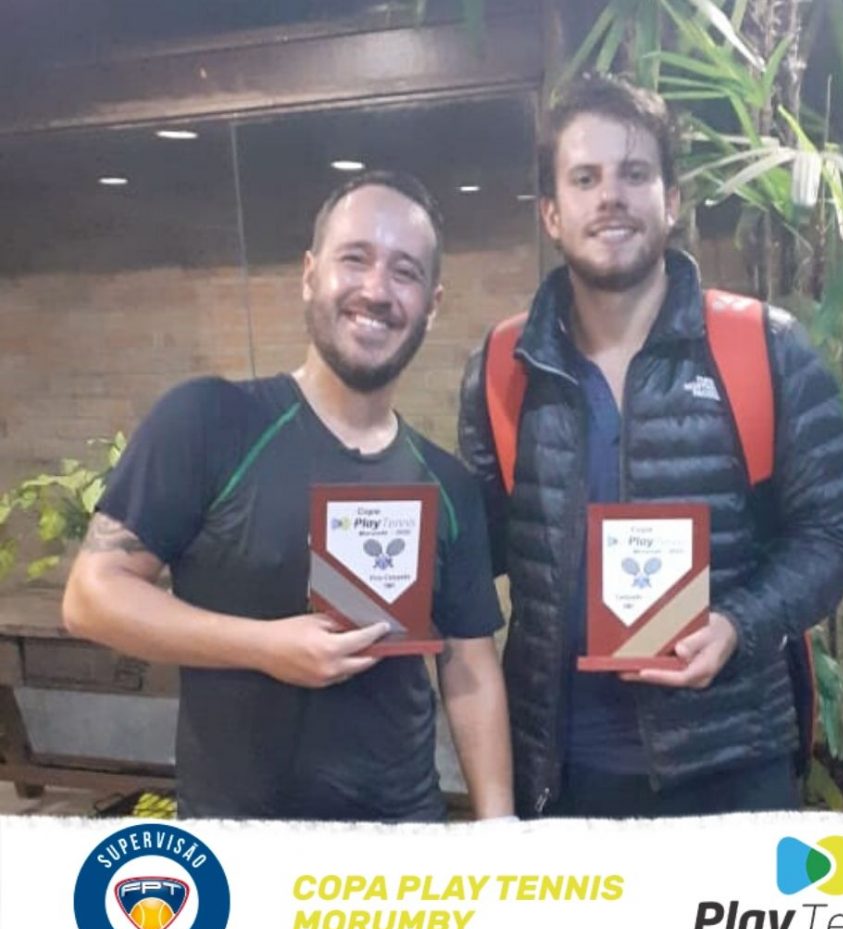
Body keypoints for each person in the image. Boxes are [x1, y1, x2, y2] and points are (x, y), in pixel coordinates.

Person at [459, 75, 843, 819]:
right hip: (560, 777)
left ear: (672, 199)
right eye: (584, 179)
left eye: (634, 174)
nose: (610, 197)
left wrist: (739, 624)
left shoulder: (763, 347)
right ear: (551, 213)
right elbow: (476, 553)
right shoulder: (504, 366)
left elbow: (840, 528)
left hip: (731, 768)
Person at [64, 170, 513, 822]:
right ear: (309, 274)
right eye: (354, 258)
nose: (376, 289)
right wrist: (264, 646)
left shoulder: (447, 484)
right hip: (243, 842)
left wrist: (499, 830)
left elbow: (469, 666)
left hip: (402, 838)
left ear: (432, 304)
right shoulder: (209, 421)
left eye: (405, 272)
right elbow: (91, 598)